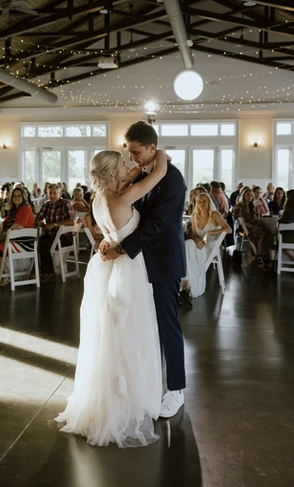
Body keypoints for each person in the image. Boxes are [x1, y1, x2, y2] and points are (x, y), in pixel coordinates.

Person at [55, 148, 167, 447]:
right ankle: (124, 402)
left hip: (110, 266)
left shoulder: (99, 199)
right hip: (127, 270)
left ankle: (113, 396)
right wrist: (159, 154)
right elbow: (158, 174)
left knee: (111, 334)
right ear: (113, 172)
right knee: (130, 333)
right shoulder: (121, 198)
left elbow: (110, 231)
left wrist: (107, 241)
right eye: (123, 163)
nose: (129, 165)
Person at [100, 121, 187, 419]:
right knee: (141, 325)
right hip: (140, 263)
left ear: (152, 147)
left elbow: (157, 225)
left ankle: (176, 390)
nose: (133, 158)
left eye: (137, 152)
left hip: (163, 261)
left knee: (167, 325)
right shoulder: (144, 172)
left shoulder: (172, 179)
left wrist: (119, 248)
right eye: (130, 153)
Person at [181, 193, 231, 298]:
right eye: (199, 201)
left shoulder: (214, 214)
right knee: (188, 244)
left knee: (188, 247)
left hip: (210, 248)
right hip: (198, 246)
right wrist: (196, 239)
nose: (201, 204)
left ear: (209, 202)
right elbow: (194, 234)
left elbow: (228, 229)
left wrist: (210, 233)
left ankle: (188, 285)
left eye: (204, 201)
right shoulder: (194, 215)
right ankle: (187, 284)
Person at [0, 186, 35, 286]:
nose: (16, 198)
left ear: (23, 197)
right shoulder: (15, 210)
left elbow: (18, 225)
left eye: (19, 196)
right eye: (14, 196)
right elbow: (5, 222)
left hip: (24, 244)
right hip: (16, 241)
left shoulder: (25, 208)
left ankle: (6, 273)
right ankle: (7, 273)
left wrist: (6, 232)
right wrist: (3, 228)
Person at [35, 184, 75, 282]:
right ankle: (40, 271)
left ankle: (50, 274)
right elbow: (37, 218)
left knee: (43, 244)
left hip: (64, 237)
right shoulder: (47, 204)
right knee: (36, 242)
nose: (52, 195)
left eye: (54, 193)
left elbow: (71, 221)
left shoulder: (65, 204)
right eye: (50, 193)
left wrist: (54, 224)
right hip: (52, 235)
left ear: (60, 193)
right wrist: (39, 222)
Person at [233, 187, 267, 268]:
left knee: (266, 230)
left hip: (254, 225)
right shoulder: (239, 206)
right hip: (244, 228)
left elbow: (257, 217)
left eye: (251, 195)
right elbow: (242, 221)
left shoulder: (252, 206)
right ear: (244, 195)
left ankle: (261, 254)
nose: (250, 197)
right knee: (261, 232)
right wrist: (252, 226)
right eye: (248, 195)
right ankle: (258, 255)